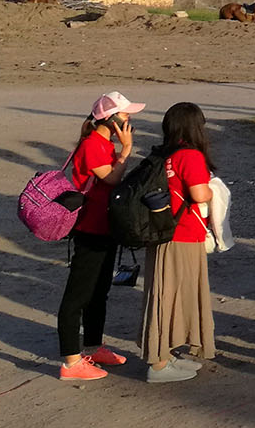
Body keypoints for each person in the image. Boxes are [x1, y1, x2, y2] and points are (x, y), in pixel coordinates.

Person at [56, 91, 143, 381]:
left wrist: (121, 150)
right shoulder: (94, 144)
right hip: (90, 228)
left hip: (105, 227)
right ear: (111, 118)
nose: (129, 118)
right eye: (125, 114)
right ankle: (70, 361)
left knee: (99, 292)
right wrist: (127, 150)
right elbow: (111, 178)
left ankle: (93, 346)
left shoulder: (104, 142)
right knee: (77, 296)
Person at [140, 102, 217, 383]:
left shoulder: (163, 154)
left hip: (164, 232)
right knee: (171, 296)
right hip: (182, 233)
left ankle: (164, 354)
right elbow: (199, 194)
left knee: (166, 294)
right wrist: (214, 191)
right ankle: (158, 363)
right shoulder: (190, 155)